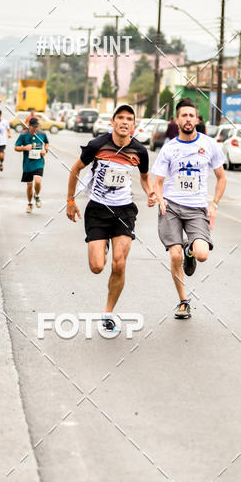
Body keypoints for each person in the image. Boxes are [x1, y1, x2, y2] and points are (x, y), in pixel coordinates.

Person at [65, 104, 152, 331]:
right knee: (96, 267)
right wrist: (70, 202)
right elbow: (75, 170)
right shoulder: (97, 145)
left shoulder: (139, 152)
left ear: (134, 125)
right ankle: (102, 246)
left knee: (119, 263)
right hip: (98, 210)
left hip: (124, 211)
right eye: (120, 118)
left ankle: (107, 312)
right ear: (112, 122)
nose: (124, 122)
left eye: (129, 119)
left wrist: (151, 192)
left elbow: (144, 178)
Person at [150, 99, 226, 320]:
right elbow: (159, 180)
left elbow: (221, 178)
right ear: (177, 119)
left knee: (202, 255)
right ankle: (184, 301)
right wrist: (160, 198)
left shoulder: (209, 145)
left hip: (196, 209)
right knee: (174, 255)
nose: (188, 119)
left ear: (197, 119)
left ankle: (190, 251)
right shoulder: (170, 148)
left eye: (191, 116)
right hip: (171, 206)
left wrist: (214, 205)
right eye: (184, 116)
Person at [14, 117, 48, 213]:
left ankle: (36, 196)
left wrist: (45, 150)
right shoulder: (23, 135)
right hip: (28, 164)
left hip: (39, 162)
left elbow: (46, 143)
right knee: (29, 185)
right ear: (29, 126)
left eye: (36, 127)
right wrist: (24, 148)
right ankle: (29, 204)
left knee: (37, 181)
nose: (35, 129)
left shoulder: (42, 134)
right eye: (33, 127)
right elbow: (16, 147)